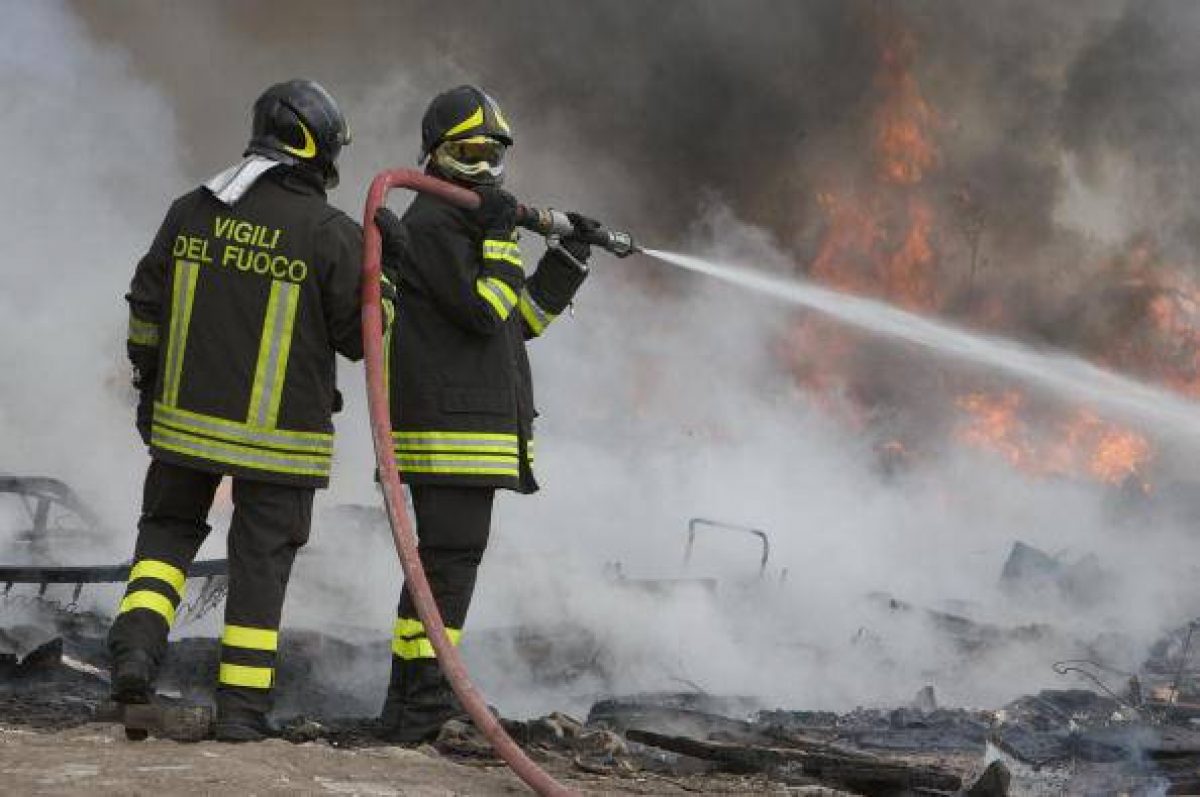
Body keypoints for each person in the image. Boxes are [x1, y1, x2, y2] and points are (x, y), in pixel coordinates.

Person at [109, 79, 368, 741]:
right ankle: (243, 715)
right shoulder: (330, 232)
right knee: (258, 566)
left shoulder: (192, 208)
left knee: (165, 537)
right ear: (318, 147)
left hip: (182, 425)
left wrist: (149, 384)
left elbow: (144, 307)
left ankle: (136, 649)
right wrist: (382, 269)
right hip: (280, 444)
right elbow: (362, 337)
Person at [372, 85, 597, 743]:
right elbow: (484, 308)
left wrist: (568, 260)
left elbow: (515, 323)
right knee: (445, 571)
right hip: (451, 433)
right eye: (468, 153)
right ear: (436, 153)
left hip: (467, 428)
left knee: (442, 569)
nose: (483, 168)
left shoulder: (460, 225)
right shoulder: (431, 225)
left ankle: (410, 704)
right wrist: (501, 232)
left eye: (492, 155)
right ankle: (422, 707)